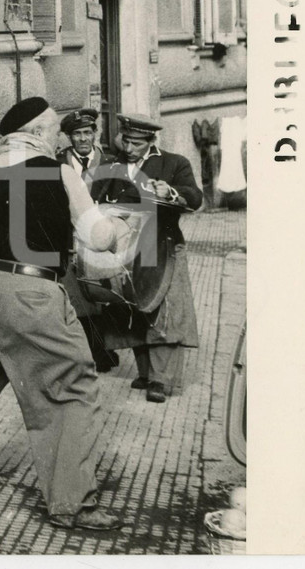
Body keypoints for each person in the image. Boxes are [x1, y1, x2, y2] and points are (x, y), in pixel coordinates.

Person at [0, 96, 128, 531]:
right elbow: (96, 239)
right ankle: (71, 503)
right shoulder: (61, 173)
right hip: (35, 292)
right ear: (37, 133)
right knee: (70, 388)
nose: (60, 138)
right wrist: (118, 227)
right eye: (55, 130)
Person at [89, 114, 203, 404]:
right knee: (132, 309)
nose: (129, 148)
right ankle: (145, 372)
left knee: (165, 311)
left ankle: (160, 379)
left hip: (163, 246)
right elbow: (94, 201)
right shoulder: (110, 166)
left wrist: (171, 192)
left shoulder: (174, 163)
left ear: (152, 141)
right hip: (124, 250)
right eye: (126, 140)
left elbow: (195, 197)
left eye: (137, 143)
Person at [56, 108, 119, 372]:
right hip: (68, 239)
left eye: (87, 132)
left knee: (102, 292)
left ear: (95, 133)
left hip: (100, 237)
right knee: (74, 296)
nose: (82, 139)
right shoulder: (57, 163)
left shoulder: (112, 163)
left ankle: (104, 348)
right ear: (69, 137)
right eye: (76, 134)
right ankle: (86, 352)